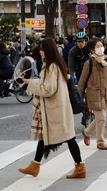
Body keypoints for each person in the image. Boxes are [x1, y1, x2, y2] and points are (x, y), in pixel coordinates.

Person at [18, 38, 86, 178]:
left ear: (48, 50)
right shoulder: (54, 63)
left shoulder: (51, 66)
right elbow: (46, 84)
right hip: (57, 106)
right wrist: (29, 82)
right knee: (50, 136)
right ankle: (35, 165)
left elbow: (48, 89)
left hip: (55, 107)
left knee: (67, 137)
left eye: (42, 49)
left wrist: (29, 84)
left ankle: (79, 167)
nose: (40, 52)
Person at [77, 39, 107, 150]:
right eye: (98, 46)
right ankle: (100, 141)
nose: (101, 48)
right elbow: (82, 81)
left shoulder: (106, 59)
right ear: (92, 49)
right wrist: (78, 96)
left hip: (104, 93)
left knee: (100, 118)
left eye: (101, 45)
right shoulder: (89, 63)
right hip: (93, 94)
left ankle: (86, 132)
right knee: (102, 117)